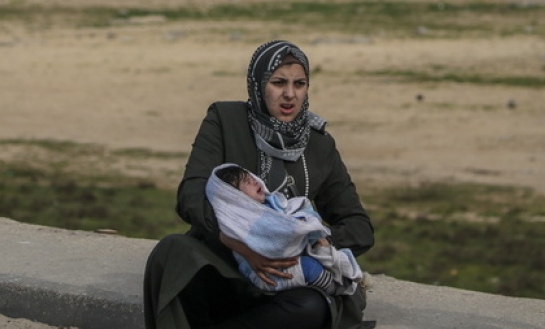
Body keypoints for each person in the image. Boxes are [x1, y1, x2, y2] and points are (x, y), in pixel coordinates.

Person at [143, 39, 375, 329]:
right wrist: (240, 243)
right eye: (278, 83)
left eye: (299, 84)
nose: (289, 95)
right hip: (226, 266)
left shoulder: (320, 146)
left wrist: (303, 240)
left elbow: (359, 227)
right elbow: (189, 196)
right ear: (258, 84)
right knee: (173, 251)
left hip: (288, 280)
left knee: (311, 307)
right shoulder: (225, 121)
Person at [208, 163, 364, 296]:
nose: (255, 182)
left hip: (293, 260)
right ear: (236, 199)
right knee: (309, 267)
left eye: (252, 178)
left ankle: (339, 280)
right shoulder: (244, 222)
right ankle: (334, 290)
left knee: (328, 256)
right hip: (269, 274)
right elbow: (276, 237)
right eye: (247, 183)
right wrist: (297, 228)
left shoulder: (272, 203)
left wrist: (306, 224)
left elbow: (298, 208)